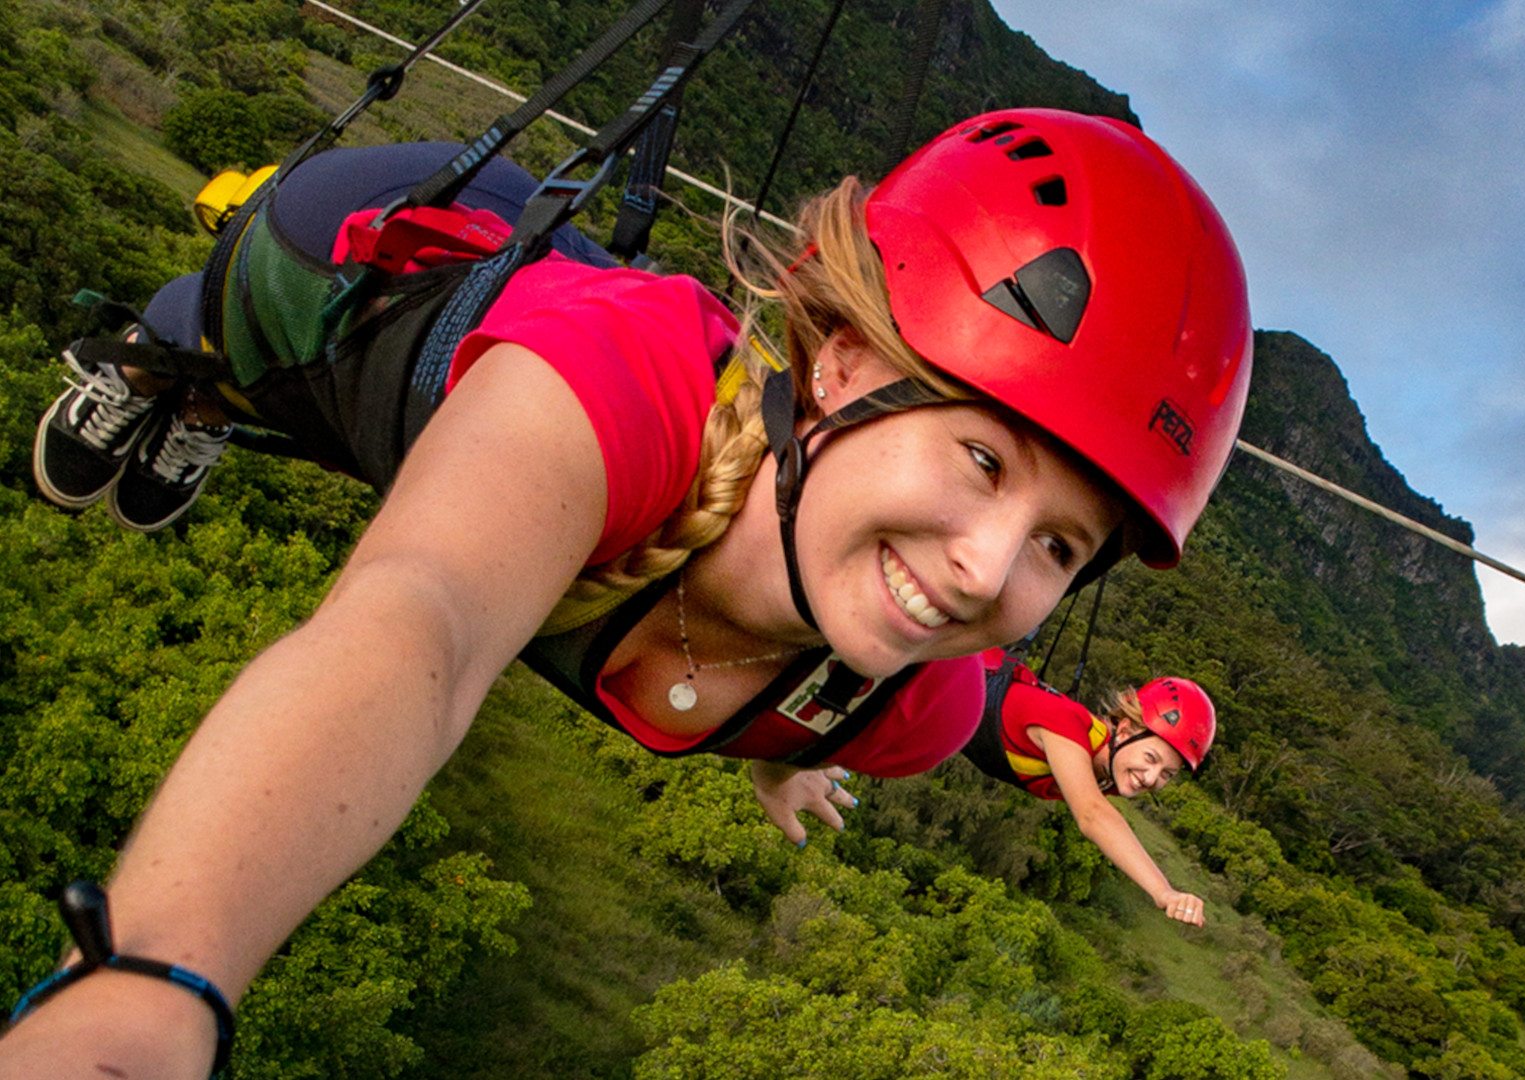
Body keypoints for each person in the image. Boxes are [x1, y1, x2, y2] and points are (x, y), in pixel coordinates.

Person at [4, 107, 1251, 1077]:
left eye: (1059, 547)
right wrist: (149, 985)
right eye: (982, 460)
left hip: (515, 340)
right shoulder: (630, 388)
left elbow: (937, 700)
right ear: (849, 370)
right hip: (371, 257)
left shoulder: (898, 711)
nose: (986, 566)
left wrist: (793, 751)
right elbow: (416, 627)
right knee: (231, 336)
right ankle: (160, 373)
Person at [963, 649, 1216, 926]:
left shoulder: (1112, 772)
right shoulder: (1065, 728)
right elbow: (1092, 814)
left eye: (1167, 774)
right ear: (1123, 731)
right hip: (946, 668)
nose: (1151, 778)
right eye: (1150, 758)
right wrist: (1164, 892)